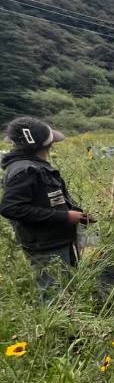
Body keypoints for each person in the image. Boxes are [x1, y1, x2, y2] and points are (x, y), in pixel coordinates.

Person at [0, 117, 92, 291]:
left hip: (55, 240)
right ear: (43, 145)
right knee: (55, 294)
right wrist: (64, 216)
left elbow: (46, 200)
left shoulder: (33, 166)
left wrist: (75, 213)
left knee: (67, 289)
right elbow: (10, 208)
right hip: (46, 246)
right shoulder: (25, 170)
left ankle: (70, 317)